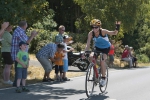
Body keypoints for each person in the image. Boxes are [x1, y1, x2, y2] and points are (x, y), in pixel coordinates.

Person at [85, 19, 121, 86]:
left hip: (106, 48)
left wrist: (117, 26)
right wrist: (85, 51)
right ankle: (96, 72)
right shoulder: (90, 33)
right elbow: (88, 43)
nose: (94, 29)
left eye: (96, 27)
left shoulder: (103, 31)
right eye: (93, 27)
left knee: (102, 60)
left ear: (99, 27)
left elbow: (114, 33)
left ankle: (103, 78)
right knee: (91, 57)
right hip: (97, 47)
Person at [11, 21, 38, 86]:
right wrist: (32, 36)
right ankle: (17, 84)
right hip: (19, 54)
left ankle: (18, 83)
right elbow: (26, 43)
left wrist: (32, 36)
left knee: (20, 70)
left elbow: (25, 40)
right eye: (26, 25)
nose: (27, 26)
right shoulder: (20, 32)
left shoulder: (19, 31)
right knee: (20, 70)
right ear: (24, 26)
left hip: (20, 53)